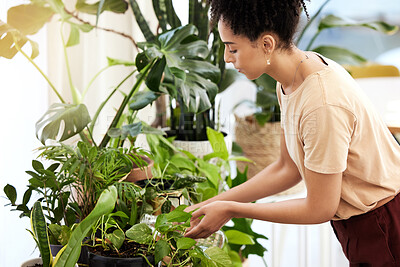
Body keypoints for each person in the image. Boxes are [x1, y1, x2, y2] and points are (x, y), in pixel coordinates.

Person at [184, 0, 400, 266]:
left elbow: (320, 208)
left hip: (384, 223)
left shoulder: (322, 102)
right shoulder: (291, 79)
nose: (227, 58)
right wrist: (215, 202)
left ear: (266, 45)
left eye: (233, 48)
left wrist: (231, 209)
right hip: (363, 223)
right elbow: (287, 168)